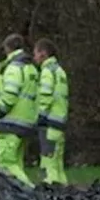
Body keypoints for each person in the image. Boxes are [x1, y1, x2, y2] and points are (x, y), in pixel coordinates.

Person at [0, 33, 39, 186]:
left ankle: (32, 195)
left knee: (6, 163)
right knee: (17, 163)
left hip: (9, 122)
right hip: (25, 121)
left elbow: (11, 92)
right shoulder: (31, 68)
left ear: (7, 48)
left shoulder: (13, 67)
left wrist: (0, 111)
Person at [34, 38, 69, 184]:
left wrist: (41, 115)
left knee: (49, 161)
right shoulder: (60, 71)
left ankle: (52, 189)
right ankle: (64, 188)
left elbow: (46, 95)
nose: (34, 57)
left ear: (43, 53)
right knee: (58, 162)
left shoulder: (47, 71)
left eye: (36, 53)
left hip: (49, 122)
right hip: (60, 121)